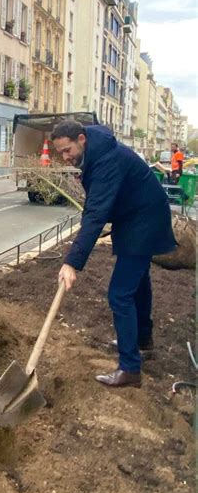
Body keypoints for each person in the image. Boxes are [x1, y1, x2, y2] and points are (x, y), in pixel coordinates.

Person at [51, 120, 175, 389]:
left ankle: (130, 368)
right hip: (138, 219)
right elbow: (98, 207)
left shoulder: (107, 161)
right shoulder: (97, 152)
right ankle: (142, 340)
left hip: (143, 223)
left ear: (81, 139)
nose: (65, 157)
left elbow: (96, 214)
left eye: (67, 150)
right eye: (61, 152)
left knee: (119, 294)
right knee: (138, 284)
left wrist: (72, 262)